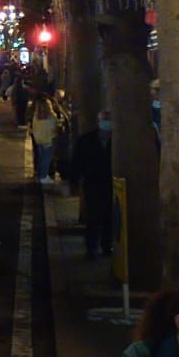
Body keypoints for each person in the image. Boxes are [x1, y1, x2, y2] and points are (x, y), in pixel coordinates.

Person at [73, 111, 115, 261]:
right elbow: (77, 161)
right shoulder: (87, 140)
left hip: (111, 183)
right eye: (104, 120)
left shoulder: (118, 140)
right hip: (93, 183)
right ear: (98, 121)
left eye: (108, 120)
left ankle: (106, 245)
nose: (106, 122)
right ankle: (91, 247)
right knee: (94, 217)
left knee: (109, 217)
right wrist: (77, 179)